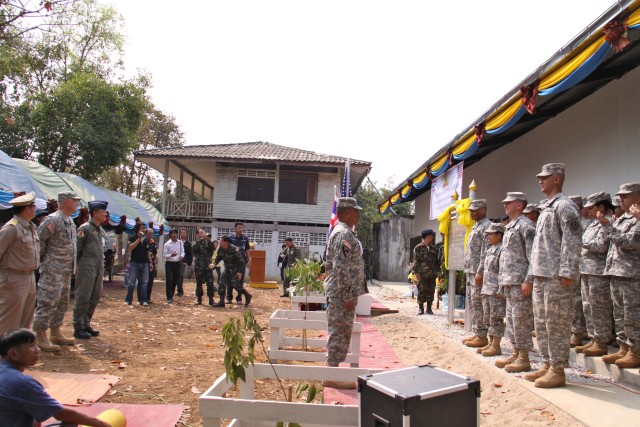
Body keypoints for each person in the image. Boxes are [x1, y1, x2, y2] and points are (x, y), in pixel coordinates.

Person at [524, 163, 582, 388]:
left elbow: (572, 240)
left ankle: (557, 369)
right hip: (541, 274)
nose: (540, 180)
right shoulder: (547, 207)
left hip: (557, 277)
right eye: (540, 177)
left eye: (545, 177)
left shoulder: (565, 206)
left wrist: (568, 271)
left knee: (556, 323)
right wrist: (531, 275)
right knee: (542, 323)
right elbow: (538, 247)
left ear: (557, 179)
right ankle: (547, 364)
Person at [0, 328, 111, 427]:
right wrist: (101, 424)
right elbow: (61, 414)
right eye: (31, 346)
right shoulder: (24, 383)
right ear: (13, 354)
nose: (38, 350)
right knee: (70, 424)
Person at [323, 197, 367, 389]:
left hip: (342, 293)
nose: (358, 214)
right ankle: (331, 374)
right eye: (356, 210)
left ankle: (333, 371)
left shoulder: (346, 233)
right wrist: (348, 295)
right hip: (341, 295)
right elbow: (341, 267)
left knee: (342, 333)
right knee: (338, 333)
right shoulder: (342, 234)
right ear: (347, 212)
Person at [32, 191, 81, 352]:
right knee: (47, 301)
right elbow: (39, 243)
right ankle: (40, 335)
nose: (76, 204)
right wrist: (45, 262)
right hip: (53, 270)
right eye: (74, 201)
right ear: (66, 202)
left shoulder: (70, 221)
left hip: (66, 270)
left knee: (61, 302)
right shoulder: (52, 219)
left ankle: (55, 331)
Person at [599, 183, 640, 368]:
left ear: (637, 198)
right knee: (620, 313)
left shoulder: (637, 220)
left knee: (632, 314)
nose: (621, 200)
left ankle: (635, 350)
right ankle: (623, 347)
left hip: (631, 275)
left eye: (625, 196)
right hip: (617, 272)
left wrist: (608, 227)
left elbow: (628, 243)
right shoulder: (622, 220)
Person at [494, 192, 536, 373]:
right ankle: (516, 352)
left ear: (519, 205)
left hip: (520, 282)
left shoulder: (526, 226)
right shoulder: (510, 227)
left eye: (508, 203)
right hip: (509, 282)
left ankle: (524, 357)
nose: (505, 205)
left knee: (521, 321)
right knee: (511, 320)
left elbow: (533, 255)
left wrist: (529, 280)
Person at [575, 192, 614, 357]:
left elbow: (601, 246)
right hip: (586, 270)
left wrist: (582, 243)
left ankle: (602, 341)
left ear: (602, 208)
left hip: (598, 273)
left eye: (592, 208)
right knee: (588, 306)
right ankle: (593, 338)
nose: (588, 211)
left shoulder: (608, 224)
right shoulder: (592, 225)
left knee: (599, 308)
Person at [0, 192, 39, 337]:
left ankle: (17, 352)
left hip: (29, 278)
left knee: (25, 320)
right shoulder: (11, 228)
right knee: (8, 320)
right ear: (27, 209)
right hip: (13, 279)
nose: (36, 209)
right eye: (34, 206)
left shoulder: (31, 227)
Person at [72, 201, 108, 340]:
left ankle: (86, 323)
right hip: (87, 266)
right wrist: (77, 266)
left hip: (98, 266)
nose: (105, 214)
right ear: (95, 213)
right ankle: (78, 326)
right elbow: (77, 249)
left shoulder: (100, 230)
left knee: (95, 296)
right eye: (103, 212)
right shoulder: (84, 229)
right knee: (83, 296)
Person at [462, 199, 491, 345]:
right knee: (472, 302)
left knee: (478, 303)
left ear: (483, 210)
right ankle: (477, 332)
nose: (471, 213)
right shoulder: (476, 226)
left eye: (474, 210)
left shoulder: (487, 227)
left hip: (478, 272)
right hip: (471, 271)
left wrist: (480, 272)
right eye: (470, 210)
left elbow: (485, 252)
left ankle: (482, 335)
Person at [478, 222, 505, 357]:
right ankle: (490, 341)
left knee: (496, 318)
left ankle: (496, 345)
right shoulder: (490, 250)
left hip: (495, 290)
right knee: (487, 318)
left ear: (499, 235)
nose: (488, 237)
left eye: (491, 234)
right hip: (487, 289)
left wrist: (501, 289)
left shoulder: (502, 250)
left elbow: (503, 271)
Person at [568, 195, 588, 347]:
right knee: (575, 302)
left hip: (587, 268)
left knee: (581, 302)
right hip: (574, 267)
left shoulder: (587, 224)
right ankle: (575, 330)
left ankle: (580, 332)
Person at [210, 236, 251, 307]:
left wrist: (240, 272)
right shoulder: (221, 248)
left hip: (236, 268)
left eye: (221, 241)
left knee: (234, 284)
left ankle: (247, 295)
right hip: (227, 268)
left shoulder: (234, 249)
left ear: (226, 242)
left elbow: (242, 262)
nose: (220, 242)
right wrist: (214, 264)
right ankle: (221, 301)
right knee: (221, 282)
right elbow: (218, 257)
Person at [411, 229, 440, 315]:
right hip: (422, 274)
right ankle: (420, 308)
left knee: (431, 290)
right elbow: (415, 261)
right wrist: (416, 272)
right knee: (421, 290)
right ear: (427, 236)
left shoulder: (434, 248)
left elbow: (437, 262)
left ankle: (429, 308)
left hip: (432, 274)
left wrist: (438, 271)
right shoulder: (418, 248)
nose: (432, 237)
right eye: (431, 235)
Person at [125, 223, 153, 306]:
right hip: (135, 263)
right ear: (137, 229)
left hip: (144, 263)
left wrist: (150, 262)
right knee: (131, 282)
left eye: (144, 228)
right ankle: (128, 300)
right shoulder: (132, 238)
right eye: (142, 228)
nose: (143, 230)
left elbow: (148, 251)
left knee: (144, 282)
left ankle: (143, 300)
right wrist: (138, 239)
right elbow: (130, 247)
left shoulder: (146, 240)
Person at [228, 222, 251, 304]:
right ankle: (229, 298)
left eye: (241, 227)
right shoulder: (230, 238)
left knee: (240, 281)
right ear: (235, 229)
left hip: (242, 263)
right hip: (232, 263)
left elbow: (247, 250)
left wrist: (249, 261)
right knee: (230, 280)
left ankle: (239, 298)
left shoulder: (245, 238)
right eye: (238, 227)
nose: (240, 229)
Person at [192, 228, 216, 305]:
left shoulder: (208, 242)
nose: (203, 234)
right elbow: (194, 250)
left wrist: (208, 239)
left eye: (203, 232)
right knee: (199, 283)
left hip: (207, 266)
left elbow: (213, 249)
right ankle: (199, 298)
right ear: (198, 234)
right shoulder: (197, 243)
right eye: (201, 233)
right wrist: (201, 240)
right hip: (199, 266)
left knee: (210, 282)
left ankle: (211, 299)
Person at [163, 229, 184, 304]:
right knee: (168, 280)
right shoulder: (167, 244)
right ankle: (169, 297)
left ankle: (171, 294)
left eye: (176, 233)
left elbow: (182, 251)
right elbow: (164, 255)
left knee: (175, 280)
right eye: (173, 233)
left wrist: (181, 256)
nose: (175, 235)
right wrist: (171, 255)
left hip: (177, 263)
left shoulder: (180, 242)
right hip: (169, 263)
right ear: (170, 234)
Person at [176, 228, 192, 297]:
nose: (183, 234)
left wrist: (189, 263)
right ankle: (180, 290)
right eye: (182, 233)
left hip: (183, 262)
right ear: (180, 234)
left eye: (184, 233)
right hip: (176, 261)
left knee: (180, 275)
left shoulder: (188, 244)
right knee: (176, 276)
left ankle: (179, 291)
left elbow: (190, 253)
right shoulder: (177, 242)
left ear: (186, 234)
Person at [146, 228, 159, 303]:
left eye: (152, 233)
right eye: (150, 233)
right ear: (146, 234)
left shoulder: (153, 243)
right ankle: (143, 297)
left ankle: (148, 297)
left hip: (152, 263)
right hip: (145, 263)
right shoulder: (144, 241)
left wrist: (156, 257)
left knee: (151, 281)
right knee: (145, 281)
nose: (151, 235)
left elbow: (155, 252)